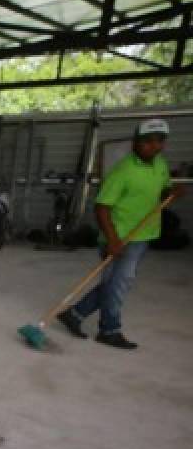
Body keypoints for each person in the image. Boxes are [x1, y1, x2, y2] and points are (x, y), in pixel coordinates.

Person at [56, 118, 181, 349]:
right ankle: (109, 329)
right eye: (148, 142)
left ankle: (74, 314)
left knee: (115, 283)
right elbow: (101, 207)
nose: (153, 146)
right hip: (120, 237)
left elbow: (162, 191)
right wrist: (112, 240)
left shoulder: (160, 164)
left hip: (144, 234)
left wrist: (171, 193)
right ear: (136, 142)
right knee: (119, 284)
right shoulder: (123, 171)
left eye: (159, 141)